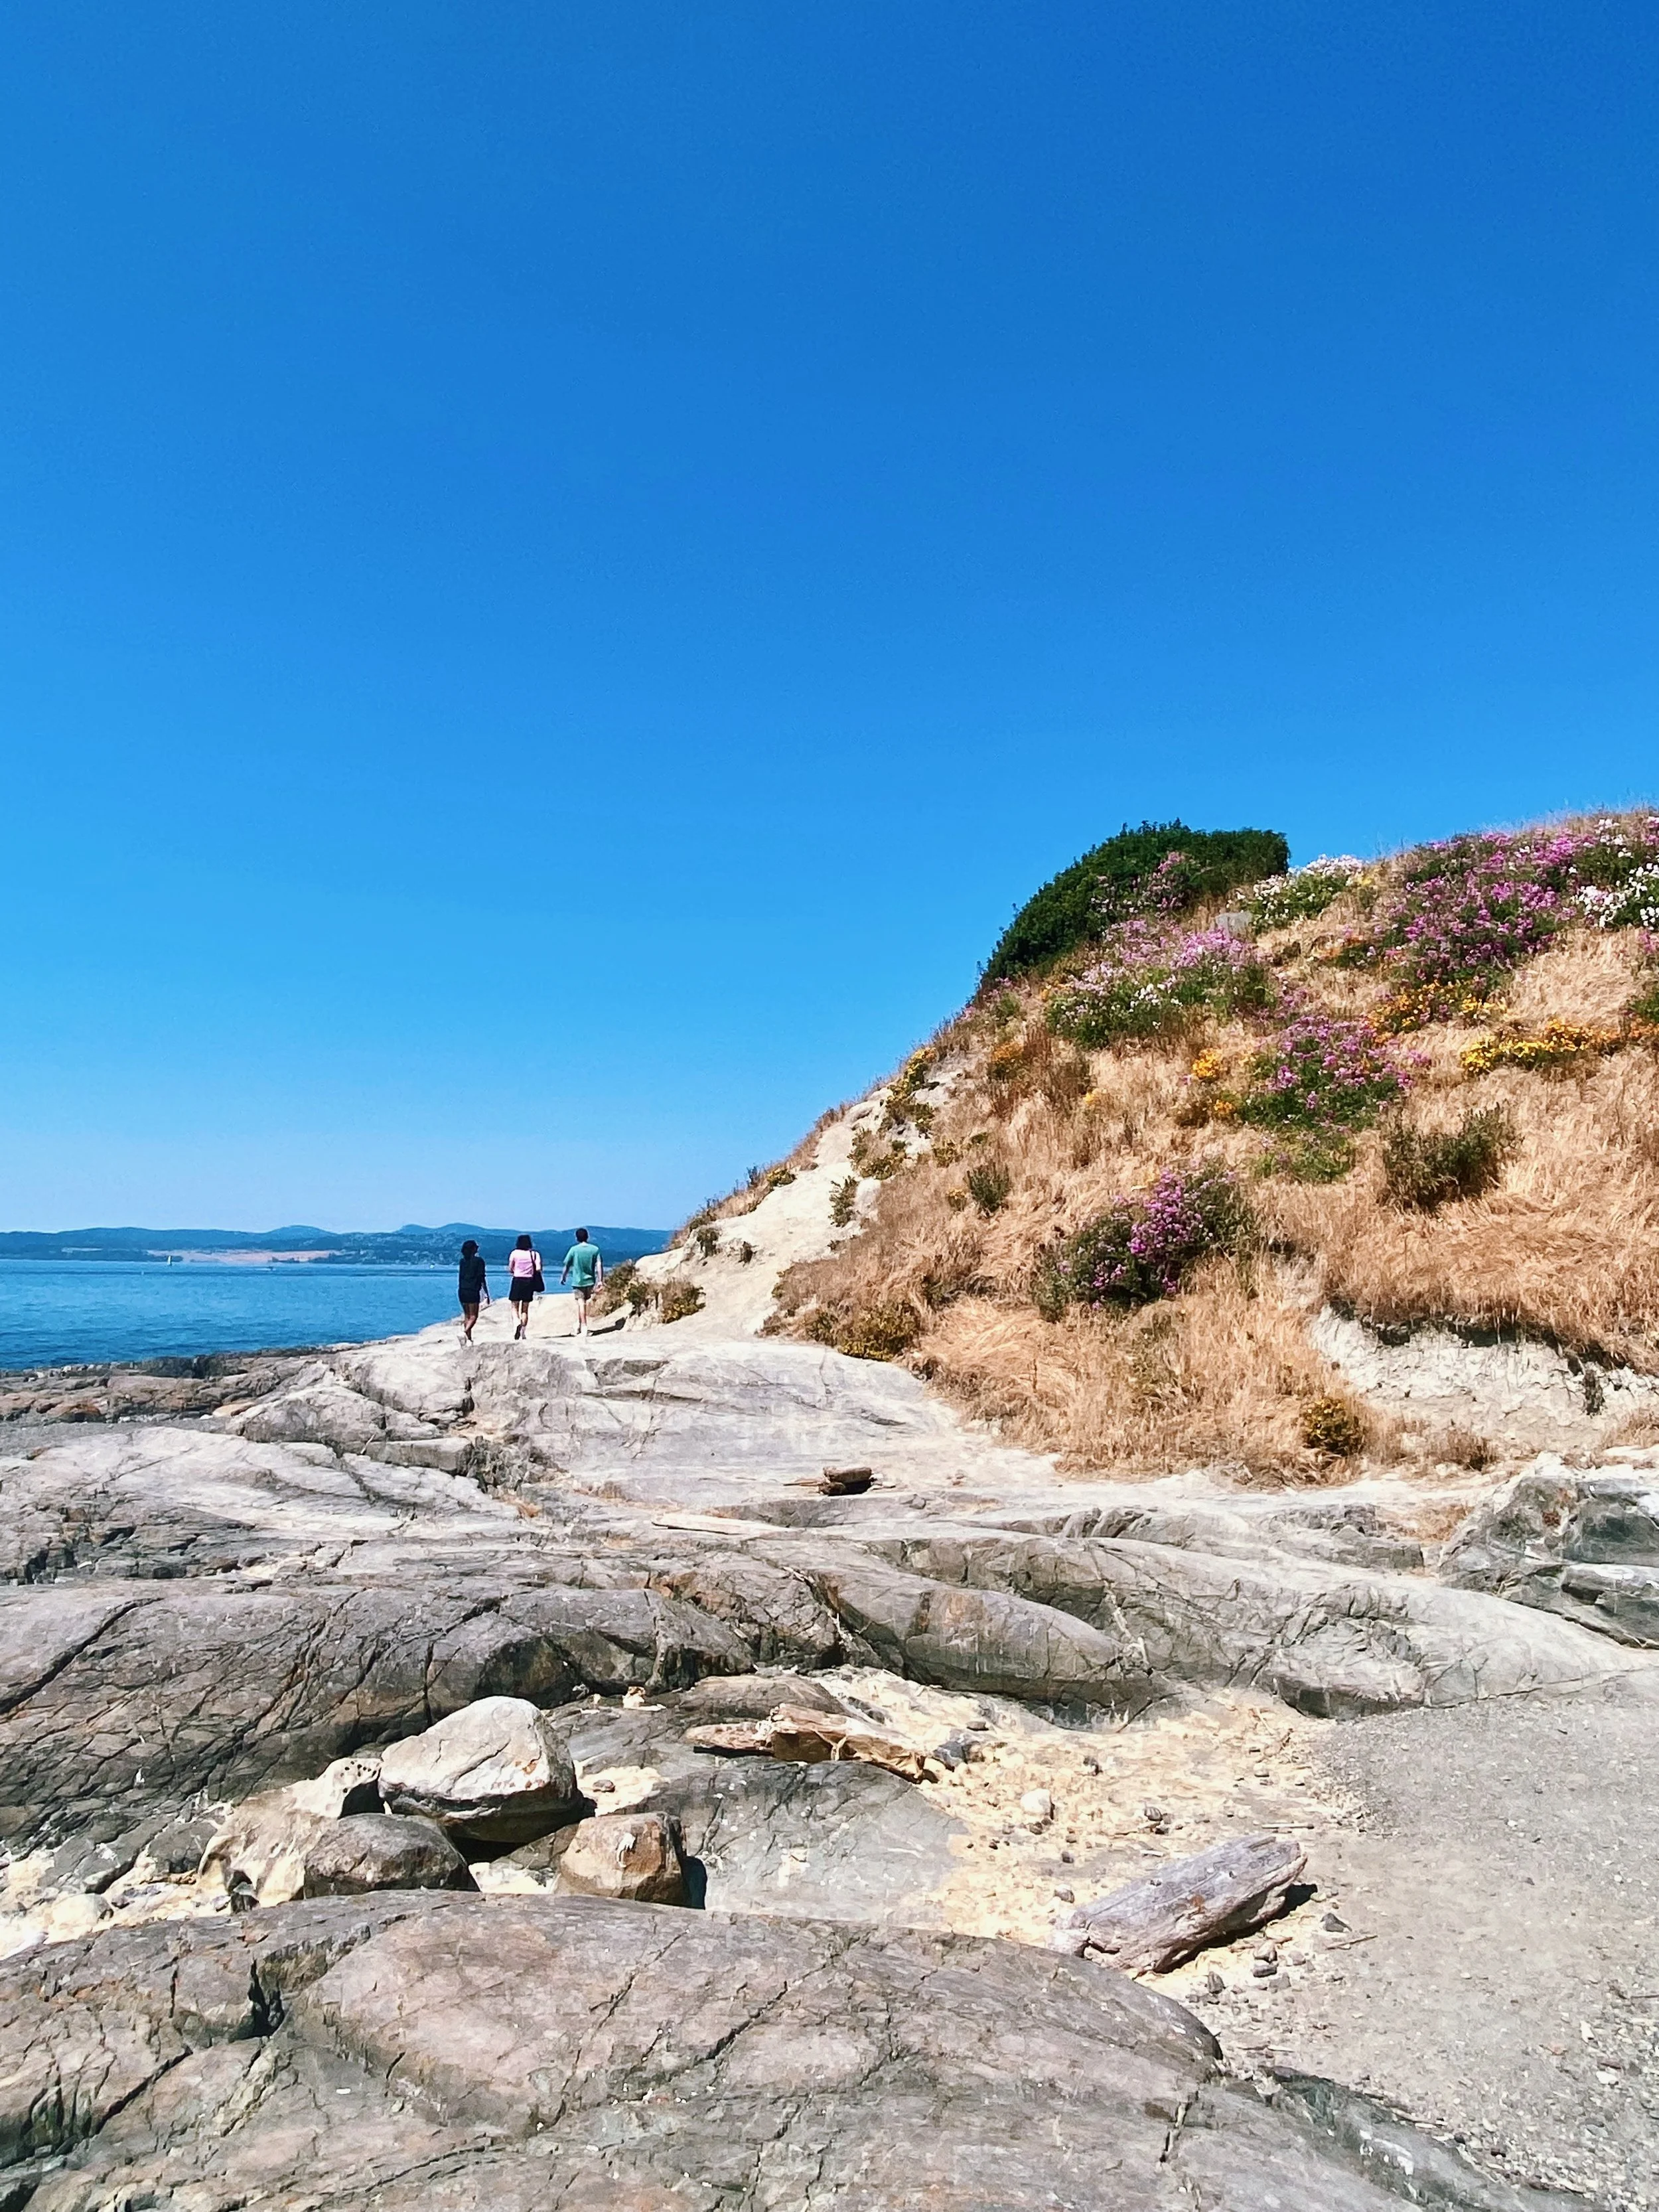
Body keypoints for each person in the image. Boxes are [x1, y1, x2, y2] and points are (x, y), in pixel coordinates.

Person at [560, 1227, 603, 1335]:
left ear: (577, 1238)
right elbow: (599, 1265)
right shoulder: (595, 1249)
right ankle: (578, 1325)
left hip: (578, 1281)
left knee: (581, 1304)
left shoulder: (574, 1250)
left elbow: (567, 1264)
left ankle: (584, 1327)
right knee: (583, 1303)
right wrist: (600, 1280)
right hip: (590, 1281)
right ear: (587, 1237)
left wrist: (564, 1276)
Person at [506, 1232, 542, 1339]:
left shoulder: (514, 1253)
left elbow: (510, 1268)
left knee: (514, 1306)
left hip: (517, 1280)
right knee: (525, 1309)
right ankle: (523, 1332)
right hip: (529, 1282)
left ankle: (517, 1323)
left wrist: (515, 1271)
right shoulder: (535, 1254)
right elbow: (538, 1268)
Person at [457, 1238, 490, 1343]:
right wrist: (486, 1293)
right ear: (474, 1249)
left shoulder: (462, 1262)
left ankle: (469, 1339)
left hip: (462, 1290)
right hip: (473, 1290)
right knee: (474, 1316)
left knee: (467, 1316)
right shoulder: (479, 1261)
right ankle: (464, 1333)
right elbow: (482, 1278)